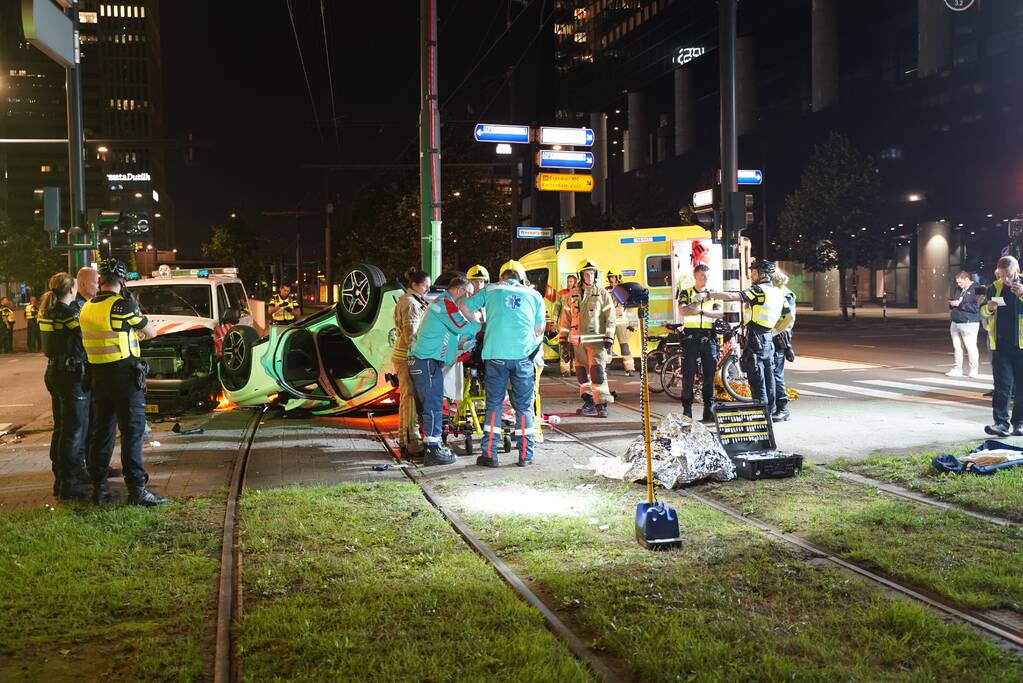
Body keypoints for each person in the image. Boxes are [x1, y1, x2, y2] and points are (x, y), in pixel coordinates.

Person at [80, 258, 167, 506]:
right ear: (122, 280)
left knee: (102, 433)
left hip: (98, 376)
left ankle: (99, 488)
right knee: (132, 433)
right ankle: (137, 490)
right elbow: (150, 332)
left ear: (101, 280)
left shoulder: (86, 307)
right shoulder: (123, 305)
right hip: (124, 377)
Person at [465, 260, 546, 467]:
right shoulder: (534, 295)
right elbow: (539, 329)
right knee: (524, 407)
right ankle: (525, 456)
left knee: (494, 404)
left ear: (502, 276)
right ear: (521, 278)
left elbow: (463, 306)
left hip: (496, 357)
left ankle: (490, 455)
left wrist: (480, 324)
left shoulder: (490, 290)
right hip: (523, 358)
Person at [408, 276, 479, 466]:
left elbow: (453, 337)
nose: (470, 300)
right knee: (432, 406)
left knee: (428, 407)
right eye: (470, 295)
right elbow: (461, 327)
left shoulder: (444, 305)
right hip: (426, 363)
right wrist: (479, 324)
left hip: (424, 363)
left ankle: (430, 445)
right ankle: (433, 451)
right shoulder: (445, 304)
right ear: (460, 291)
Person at [38, 273, 91, 500]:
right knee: (73, 430)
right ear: (70, 291)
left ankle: (61, 478)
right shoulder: (68, 313)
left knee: (62, 427)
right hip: (70, 374)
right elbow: (85, 335)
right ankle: (69, 484)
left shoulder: (47, 311)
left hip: (54, 372)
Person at [710, 259, 783, 414]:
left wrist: (711, 294)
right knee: (769, 377)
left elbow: (734, 296)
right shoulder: (776, 291)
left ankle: (761, 414)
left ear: (759, 273)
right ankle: (770, 410)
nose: (751, 274)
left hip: (756, 338)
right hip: (768, 338)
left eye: (753, 271)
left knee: (757, 378)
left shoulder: (759, 289)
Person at [559, 259, 617, 417]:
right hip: (577, 343)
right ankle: (589, 401)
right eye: (587, 273)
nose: (590, 276)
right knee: (581, 374)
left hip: (596, 342)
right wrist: (563, 340)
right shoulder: (572, 295)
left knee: (597, 372)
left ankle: (602, 404)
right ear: (581, 275)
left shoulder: (602, 294)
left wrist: (609, 337)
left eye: (592, 273)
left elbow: (611, 317)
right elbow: (565, 319)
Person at [980, 256, 1023, 437]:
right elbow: (981, 312)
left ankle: (1019, 423)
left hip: (1021, 346)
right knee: (1002, 386)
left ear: (1017, 270)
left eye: (1009, 275)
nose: (1005, 279)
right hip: (1000, 345)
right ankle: (1000, 423)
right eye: (1002, 275)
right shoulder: (994, 288)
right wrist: (988, 307)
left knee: (1021, 387)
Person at [677, 264, 723, 422]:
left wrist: (702, 311)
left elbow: (719, 313)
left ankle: (708, 408)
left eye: (708, 275)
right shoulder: (687, 293)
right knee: (688, 374)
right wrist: (696, 302)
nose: (706, 278)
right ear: (695, 276)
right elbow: (683, 311)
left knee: (709, 374)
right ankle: (687, 410)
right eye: (703, 275)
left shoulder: (713, 294)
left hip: (708, 336)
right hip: (691, 337)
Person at [393, 267, 431, 457]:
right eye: (425, 286)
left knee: (407, 399)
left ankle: (405, 439)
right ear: (415, 285)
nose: (427, 290)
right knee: (410, 400)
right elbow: (412, 335)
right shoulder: (411, 303)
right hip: (408, 357)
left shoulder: (410, 300)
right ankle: (412, 442)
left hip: (404, 355)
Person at [770, 269, 797, 422]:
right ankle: (775, 408)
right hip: (775, 334)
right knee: (773, 373)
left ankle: (783, 408)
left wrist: (775, 332)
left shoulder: (785, 295)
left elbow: (789, 320)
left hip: (779, 336)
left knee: (777, 374)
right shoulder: (778, 293)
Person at [948, 269, 982, 378]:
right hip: (956, 321)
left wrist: (960, 304)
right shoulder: (958, 289)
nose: (958, 285)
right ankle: (957, 368)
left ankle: (974, 370)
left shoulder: (978, 289)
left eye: (960, 282)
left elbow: (977, 307)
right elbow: (953, 300)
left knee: (970, 347)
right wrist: (952, 303)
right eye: (957, 282)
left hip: (969, 322)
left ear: (967, 279)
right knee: (957, 347)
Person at [606, 268, 636, 376]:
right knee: (608, 346)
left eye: (613, 277)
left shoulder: (623, 290)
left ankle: (630, 368)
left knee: (624, 346)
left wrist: (630, 322)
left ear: (618, 278)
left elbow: (630, 308)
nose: (611, 279)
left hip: (622, 323)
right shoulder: (605, 291)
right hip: (609, 323)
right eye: (610, 277)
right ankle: (606, 366)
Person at [554, 274, 578, 376]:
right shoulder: (561, 293)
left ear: (575, 282)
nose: (568, 283)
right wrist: (554, 323)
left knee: (575, 347)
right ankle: (565, 369)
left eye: (571, 281)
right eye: (567, 281)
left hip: (575, 324)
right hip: (564, 324)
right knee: (564, 346)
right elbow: (556, 309)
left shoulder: (578, 293)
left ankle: (574, 369)